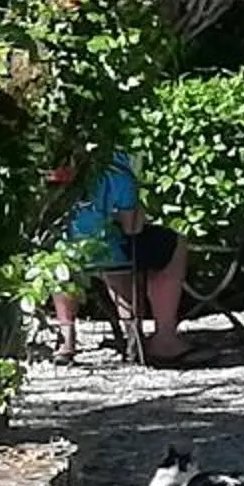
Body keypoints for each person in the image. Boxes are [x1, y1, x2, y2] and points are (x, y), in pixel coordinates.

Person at [50, 151, 196, 367]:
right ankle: (159, 338)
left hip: (62, 251)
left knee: (62, 262)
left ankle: (67, 341)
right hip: (109, 251)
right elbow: (133, 226)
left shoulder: (51, 166)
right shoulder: (115, 165)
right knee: (171, 244)